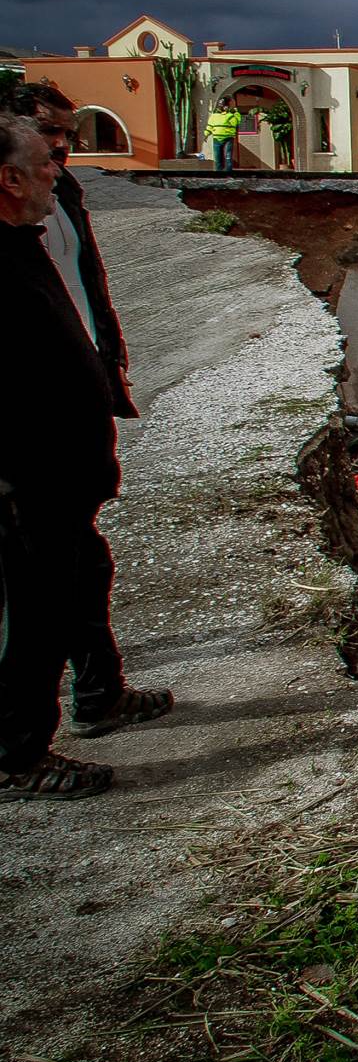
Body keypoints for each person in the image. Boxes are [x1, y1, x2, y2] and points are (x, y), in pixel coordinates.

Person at [10, 82, 172, 738]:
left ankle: (100, 691)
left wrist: (106, 357)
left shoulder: (59, 198)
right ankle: (20, 744)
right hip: (30, 441)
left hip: (75, 417)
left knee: (82, 564)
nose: (63, 152)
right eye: (51, 136)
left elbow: (82, 287)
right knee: (38, 593)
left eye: (69, 138)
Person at [0, 115, 137, 800]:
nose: (59, 169)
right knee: (33, 617)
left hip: (62, 476)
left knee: (80, 582)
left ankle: (99, 695)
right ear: (10, 177)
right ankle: (16, 753)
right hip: (28, 483)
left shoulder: (23, 244)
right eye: (45, 161)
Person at [207, 96, 241, 172]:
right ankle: (219, 174)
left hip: (228, 137)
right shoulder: (215, 114)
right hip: (217, 137)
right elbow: (210, 124)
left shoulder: (233, 113)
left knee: (227, 156)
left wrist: (233, 113)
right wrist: (207, 133)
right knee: (218, 157)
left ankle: (228, 173)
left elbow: (236, 122)